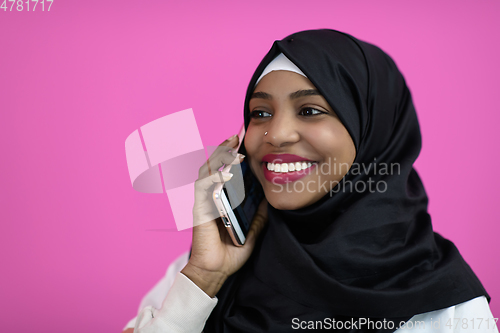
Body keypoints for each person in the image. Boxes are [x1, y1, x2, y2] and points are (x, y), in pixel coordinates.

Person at [122, 29, 496, 332]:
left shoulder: (446, 309)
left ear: (372, 132)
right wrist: (203, 279)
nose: (277, 134)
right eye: (260, 112)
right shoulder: (197, 273)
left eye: (311, 110)